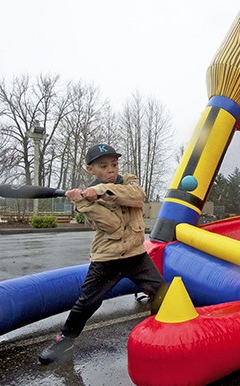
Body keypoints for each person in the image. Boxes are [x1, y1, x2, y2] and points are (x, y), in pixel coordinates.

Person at [39, 143, 166, 365]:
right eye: (104, 166)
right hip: (108, 257)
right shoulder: (87, 199)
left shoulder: (128, 181)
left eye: (114, 164)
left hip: (136, 254)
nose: (111, 170)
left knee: (161, 291)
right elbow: (113, 226)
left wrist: (100, 191)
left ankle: (160, 330)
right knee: (87, 302)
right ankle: (65, 339)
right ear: (91, 170)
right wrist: (83, 201)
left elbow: (137, 197)